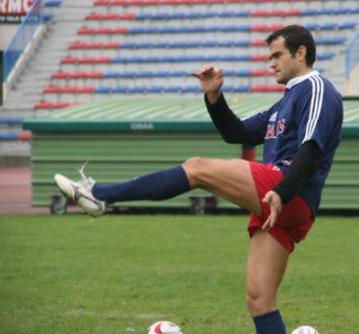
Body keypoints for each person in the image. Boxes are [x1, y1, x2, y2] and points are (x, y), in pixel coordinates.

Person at [54, 25, 343, 334]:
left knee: (197, 167)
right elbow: (238, 133)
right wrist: (214, 96)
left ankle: (100, 195)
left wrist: (283, 192)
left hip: (287, 190)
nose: (271, 63)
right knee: (259, 300)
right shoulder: (286, 99)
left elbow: (312, 148)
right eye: (269, 56)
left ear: (301, 52)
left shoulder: (317, 88)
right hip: (279, 202)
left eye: (278, 55)